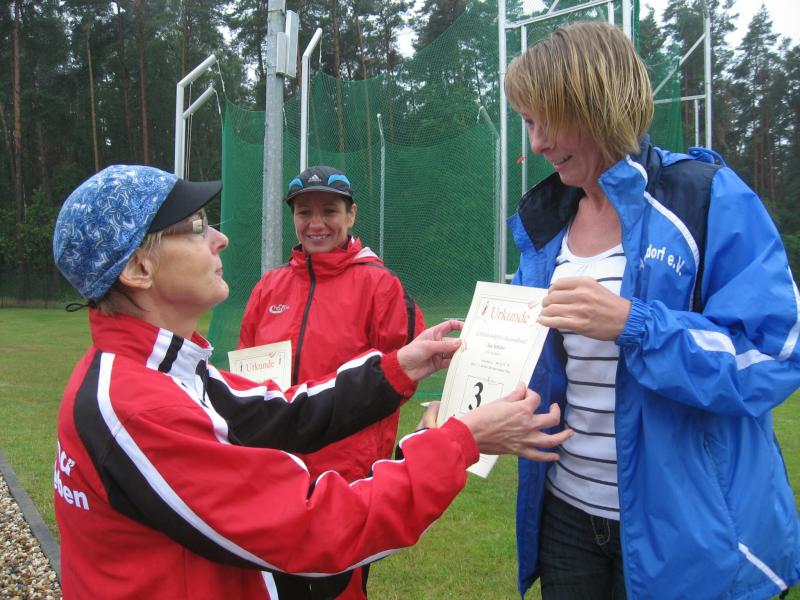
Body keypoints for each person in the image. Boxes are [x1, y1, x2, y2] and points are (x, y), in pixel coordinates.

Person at [51, 164, 572, 600]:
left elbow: (282, 409)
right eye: (195, 226)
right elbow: (313, 528)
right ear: (139, 269)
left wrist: (400, 368)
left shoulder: (167, 372)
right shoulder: (139, 405)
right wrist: (460, 442)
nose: (219, 238)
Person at [503, 21, 800, 600]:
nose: (536, 144)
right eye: (528, 123)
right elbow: (545, 364)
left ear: (595, 105)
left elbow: (773, 354)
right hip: (566, 516)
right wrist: (471, 395)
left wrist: (637, 325)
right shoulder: (544, 224)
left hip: (687, 526)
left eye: (545, 121)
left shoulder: (707, 196)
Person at [238, 165, 425, 598]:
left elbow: (405, 374)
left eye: (329, 211)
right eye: (304, 212)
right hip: (275, 474)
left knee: (337, 588)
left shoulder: (381, 286)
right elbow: (247, 372)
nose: (316, 223)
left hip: (345, 481)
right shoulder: (269, 288)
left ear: (351, 214)